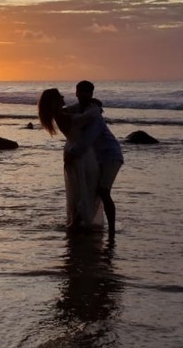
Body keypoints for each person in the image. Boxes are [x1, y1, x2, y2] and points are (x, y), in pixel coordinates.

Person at [38, 88, 105, 231]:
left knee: (81, 188)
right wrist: (96, 106)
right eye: (59, 96)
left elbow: (78, 109)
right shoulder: (62, 115)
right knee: (86, 188)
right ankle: (77, 222)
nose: (63, 96)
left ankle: (77, 221)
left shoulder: (61, 113)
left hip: (76, 151)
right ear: (55, 101)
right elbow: (87, 116)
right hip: (80, 154)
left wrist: (91, 103)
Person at [65, 80, 123, 239]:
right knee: (89, 191)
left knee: (103, 191)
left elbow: (88, 138)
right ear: (76, 92)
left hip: (111, 156)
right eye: (81, 91)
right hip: (97, 157)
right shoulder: (79, 109)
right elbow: (65, 112)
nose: (83, 94)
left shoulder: (94, 113)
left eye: (87, 92)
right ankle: (78, 223)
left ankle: (111, 232)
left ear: (91, 94)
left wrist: (73, 152)